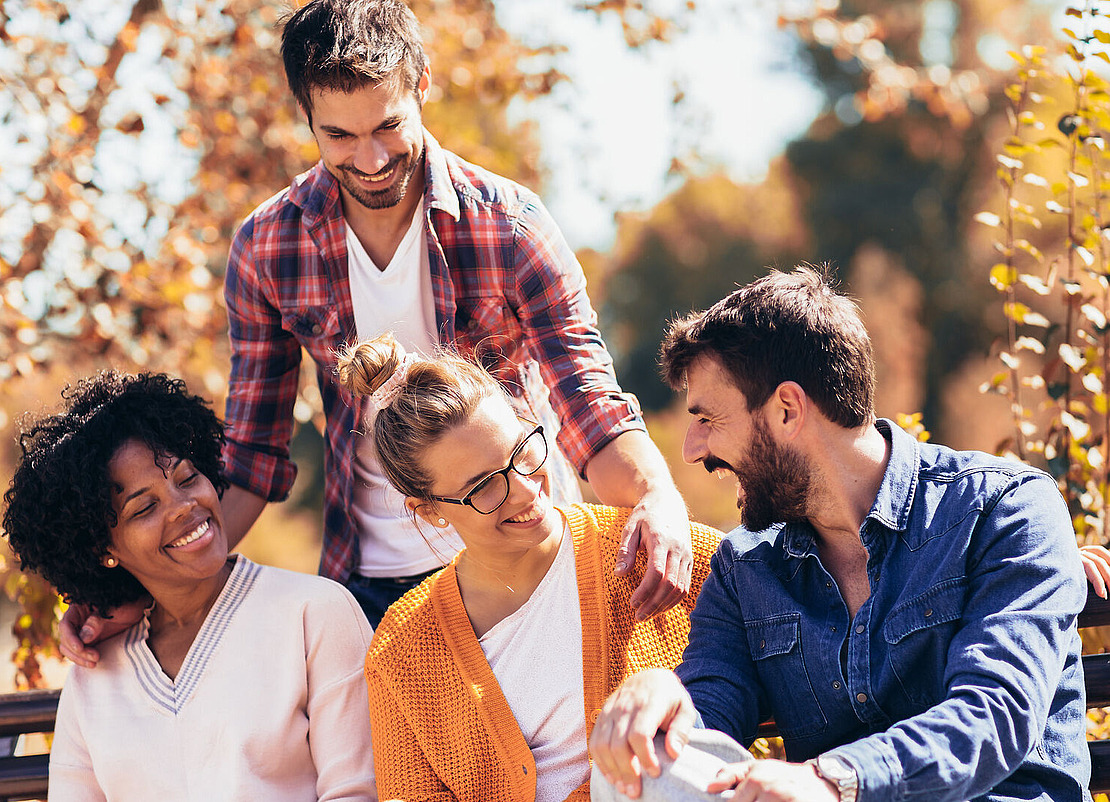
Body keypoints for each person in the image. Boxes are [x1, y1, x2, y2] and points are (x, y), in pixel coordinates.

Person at [58, 0, 691, 660]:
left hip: (526, 552)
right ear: (307, 119)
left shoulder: (510, 224)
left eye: (388, 126)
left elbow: (589, 408)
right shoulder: (270, 246)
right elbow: (252, 460)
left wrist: (658, 501)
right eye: (340, 137)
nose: (370, 158)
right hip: (377, 587)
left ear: (422, 84)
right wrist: (148, 588)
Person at [588, 266, 1092, 801]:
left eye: (708, 418)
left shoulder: (1003, 510)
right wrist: (665, 702)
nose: (691, 450)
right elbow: (710, 711)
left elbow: (995, 714)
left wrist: (832, 780)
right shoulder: (746, 569)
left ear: (787, 410)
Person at [333, 333, 721, 801]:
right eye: (484, 486)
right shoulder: (401, 652)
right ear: (429, 510)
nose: (522, 489)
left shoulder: (650, 550)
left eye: (522, 452)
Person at [3, 372, 375, 801]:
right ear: (103, 548)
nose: (185, 508)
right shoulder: (95, 672)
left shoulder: (314, 614)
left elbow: (356, 792)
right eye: (144, 508)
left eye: (187, 478)